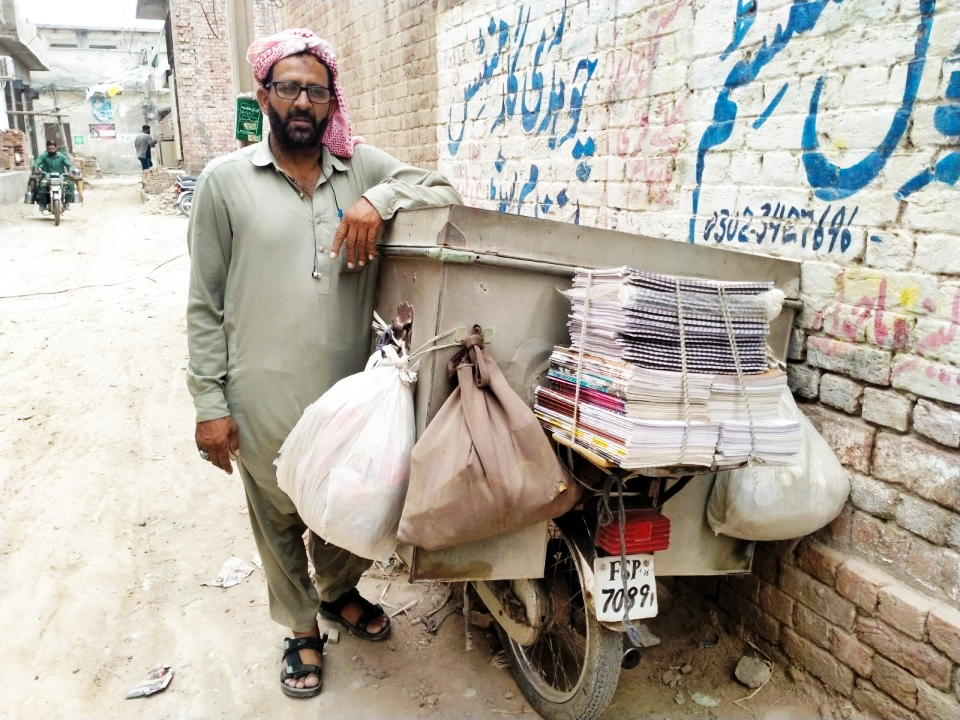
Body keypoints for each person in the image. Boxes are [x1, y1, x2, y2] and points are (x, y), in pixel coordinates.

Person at [186, 29, 461, 699]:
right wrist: (210, 405)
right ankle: (300, 627)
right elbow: (203, 303)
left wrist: (379, 201)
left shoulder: (359, 168)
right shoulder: (226, 183)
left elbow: (442, 186)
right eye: (288, 88)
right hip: (261, 390)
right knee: (278, 511)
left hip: (348, 389)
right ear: (264, 96)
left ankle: (338, 590)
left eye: (316, 89)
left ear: (331, 100)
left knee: (350, 497)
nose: (302, 102)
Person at [30, 140, 76, 210]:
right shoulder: (43, 156)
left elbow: (69, 165)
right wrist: (36, 169)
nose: (51, 150)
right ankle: (42, 204)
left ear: (56, 148)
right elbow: (36, 163)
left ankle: (67, 203)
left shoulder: (61, 156)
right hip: (47, 177)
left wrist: (70, 171)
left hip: (60, 177)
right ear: (47, 148)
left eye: (53, 149)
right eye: (49, 149)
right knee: (41, 186)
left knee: (70, 185)